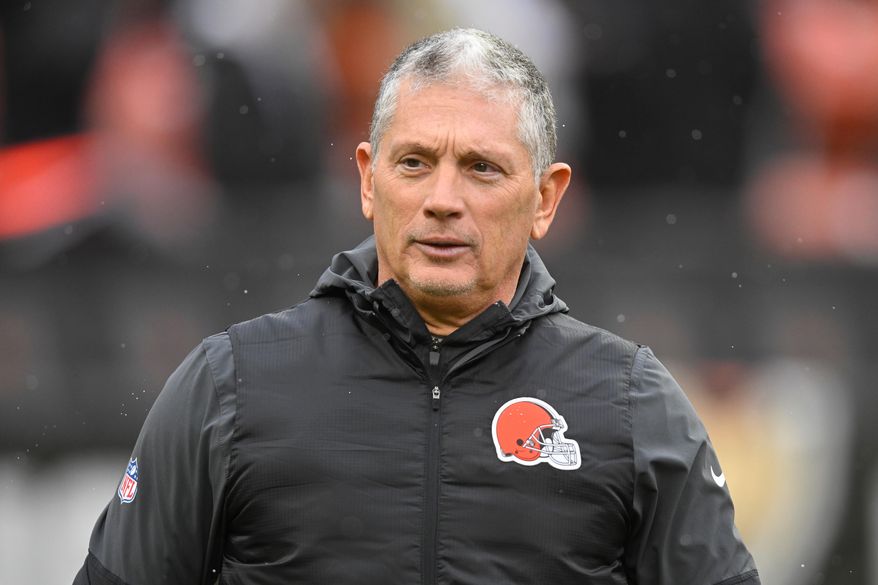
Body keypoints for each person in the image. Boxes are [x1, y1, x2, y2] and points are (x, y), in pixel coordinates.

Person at [74, 28, 761, 585]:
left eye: (481, 168)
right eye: (413, 163)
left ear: (546, 198)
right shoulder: (230, 384)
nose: (441, 198)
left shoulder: (630, 404)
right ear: (368, 180)